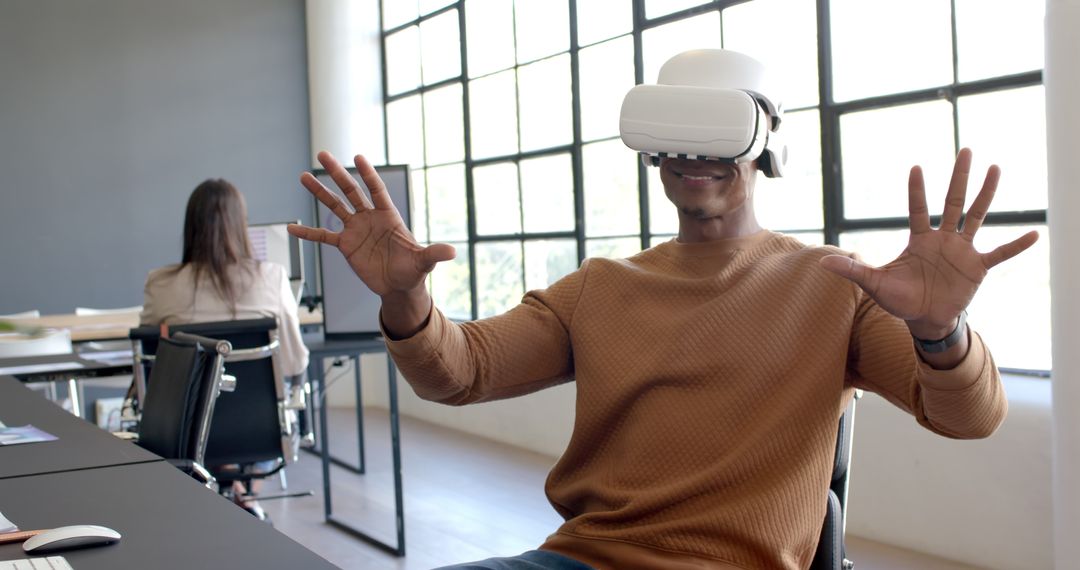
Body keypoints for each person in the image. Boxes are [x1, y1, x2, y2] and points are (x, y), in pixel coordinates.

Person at [287, 49, 1038, 569]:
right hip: (577, 561)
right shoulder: (602, 285)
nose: (694, 154)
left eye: (718, 129)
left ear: (765, 140)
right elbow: (461, 372)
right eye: (676, 132)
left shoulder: (835, 284)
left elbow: (969, 417)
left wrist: (940, 332)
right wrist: (405, 297)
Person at [140, 178, 310, 522]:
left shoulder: (160, 283)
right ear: (241, 225)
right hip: (258, 431)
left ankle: (223, 489)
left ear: (190, 227)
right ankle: (244, 494)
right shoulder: (272, 277)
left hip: (183, 431)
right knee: (276, 402)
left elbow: (152, 368)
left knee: (208, 412)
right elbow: (294, 362)